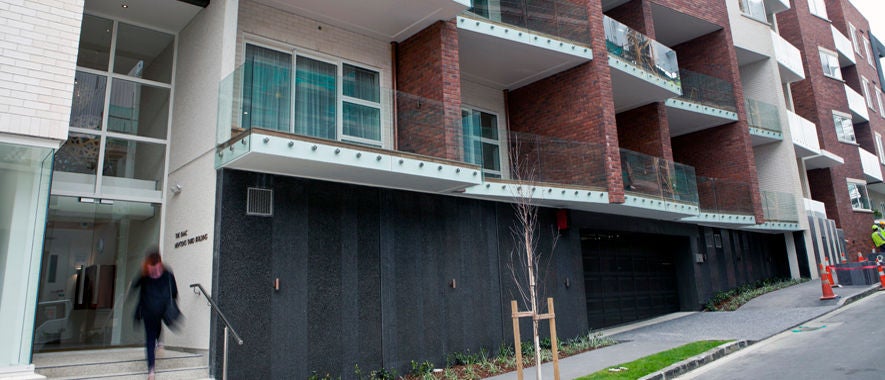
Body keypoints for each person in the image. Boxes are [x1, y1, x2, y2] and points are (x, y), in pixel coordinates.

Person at [132, 251, 179, 380]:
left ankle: (151, 370)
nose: (154, 268)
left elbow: (134, 286)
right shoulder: (160, 274)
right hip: (155, 310)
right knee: (153, 333)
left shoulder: (150, 274)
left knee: (152, 335)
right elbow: (174, 292)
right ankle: (158, 351)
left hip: (154, 310)